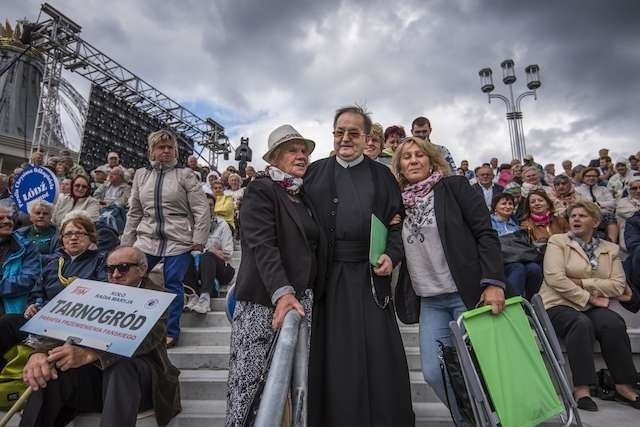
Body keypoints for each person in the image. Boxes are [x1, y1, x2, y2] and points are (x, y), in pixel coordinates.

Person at [304, 106, 414, 426]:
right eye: (340, 132)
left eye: (353, 132)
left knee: (378, 353)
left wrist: (392, 256)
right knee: (333, 355)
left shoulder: (382, 175)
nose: (346, 138)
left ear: (367, 138)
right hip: (329, 277)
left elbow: (397, 225)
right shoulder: (314, 172)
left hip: (369, 277)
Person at [392, 136, 506, 425]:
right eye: (407, 157)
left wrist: (493, 282)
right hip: (430, 301)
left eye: (420, 154)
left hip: (466, 295)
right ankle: (469, 421)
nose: (414, 160)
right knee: (433, 372)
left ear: (431, 160)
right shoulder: (398, 204)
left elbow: (485, 233)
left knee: (482, 372)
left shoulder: (454, 188)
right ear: (400, 167)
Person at [18, 246, 181, 427]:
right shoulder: (98, 293)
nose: (116, 274)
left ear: (142, 270)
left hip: (143, 380)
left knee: (121, 363)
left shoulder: (159, 297)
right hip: (97, 381)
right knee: (53, 365)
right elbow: (62, 326)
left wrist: (91, 354)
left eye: (123, 267)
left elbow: (146, 339)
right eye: (110, 269)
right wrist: (39, 353)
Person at [226, 124, 323, 425]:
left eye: (304, 150)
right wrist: (282, 292)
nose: (301, 155)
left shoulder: (302, 196)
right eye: (293, 150)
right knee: (251, 384)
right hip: (263, 303)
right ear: (274, 159)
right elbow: (261, 246)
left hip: (300, 302)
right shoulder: (261, 189)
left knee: (292, 385)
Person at [539, 201, 639, 411]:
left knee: (612, 323)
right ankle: (581, 389)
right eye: (573, 215)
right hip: (557, 303)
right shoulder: (558, 241)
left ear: (595, 222)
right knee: (580, 323)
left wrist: (582, 282)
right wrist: (590, 297)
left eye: (582, 216)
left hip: (591, 304)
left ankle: (623, 386)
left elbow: (618, 284)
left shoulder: (609, 249)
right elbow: (555, 279)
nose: (575, 219)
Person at [122, 129, 210, 347]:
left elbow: (201, 209)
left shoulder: (185, 175)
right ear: (151, 150)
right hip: (146, 237)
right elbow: (134, 211)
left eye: (170, 147)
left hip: (178, 238)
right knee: (131, 278)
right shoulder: (141, 175)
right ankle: (131, 329)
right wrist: (126, 242)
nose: (166, 151)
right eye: (161, 147)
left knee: (173, 282)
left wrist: (199, 238)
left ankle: (171, 332)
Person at [0, 211, 106, 363]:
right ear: (62, 239)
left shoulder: (100, 261)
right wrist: (32, 305)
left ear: (90, 237)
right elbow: (37, 291)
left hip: (76, 324)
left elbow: (101, 294)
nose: (73, 237)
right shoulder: (53, 263)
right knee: (7, 323)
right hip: (44, 319)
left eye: (79, 233)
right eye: (68, 234)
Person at [184, 201, 235, 313]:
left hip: (222, 269)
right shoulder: (190, 226)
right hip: (197, 267)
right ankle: (192, 296)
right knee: (184, 258)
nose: (207, 208)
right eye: (204, 205)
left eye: (210, 205)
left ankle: (204, 299)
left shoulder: (222, 224)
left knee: (207, 256)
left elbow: (228, 253)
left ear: (214, 207)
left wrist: (207, 250)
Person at [491, 193, 543, 299]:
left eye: (510, 204)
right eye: (503, 203)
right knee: (517, 268)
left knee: (534, 269)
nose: (508, 206)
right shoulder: (488, 223)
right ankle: (513, 304)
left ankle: (530, 302)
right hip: (502, 260)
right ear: (495, 207)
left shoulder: (517, 226)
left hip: (520, 258)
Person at [0, 206, 41, 316]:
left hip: (13, 312)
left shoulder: (27, 247)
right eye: (1, 218)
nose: (7, 221)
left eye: (9, 218)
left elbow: (29, 279)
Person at [576, 167, 618, 242]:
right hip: (587, 216)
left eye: (594, 176)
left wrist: (598, 204)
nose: (591, 178)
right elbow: (580, 204)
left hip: (603, 216)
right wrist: (598, 207)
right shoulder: (578, 190)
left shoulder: (603, 189)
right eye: (588, 176)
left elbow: (613, 203)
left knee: (609, 216)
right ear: (583, 178)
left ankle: (613, 244)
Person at [616, 177, 640, 251]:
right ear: (628, 190)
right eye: (634, 188)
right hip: (631, 239)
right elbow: (636, 219)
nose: (638, 191)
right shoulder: (622, 203)